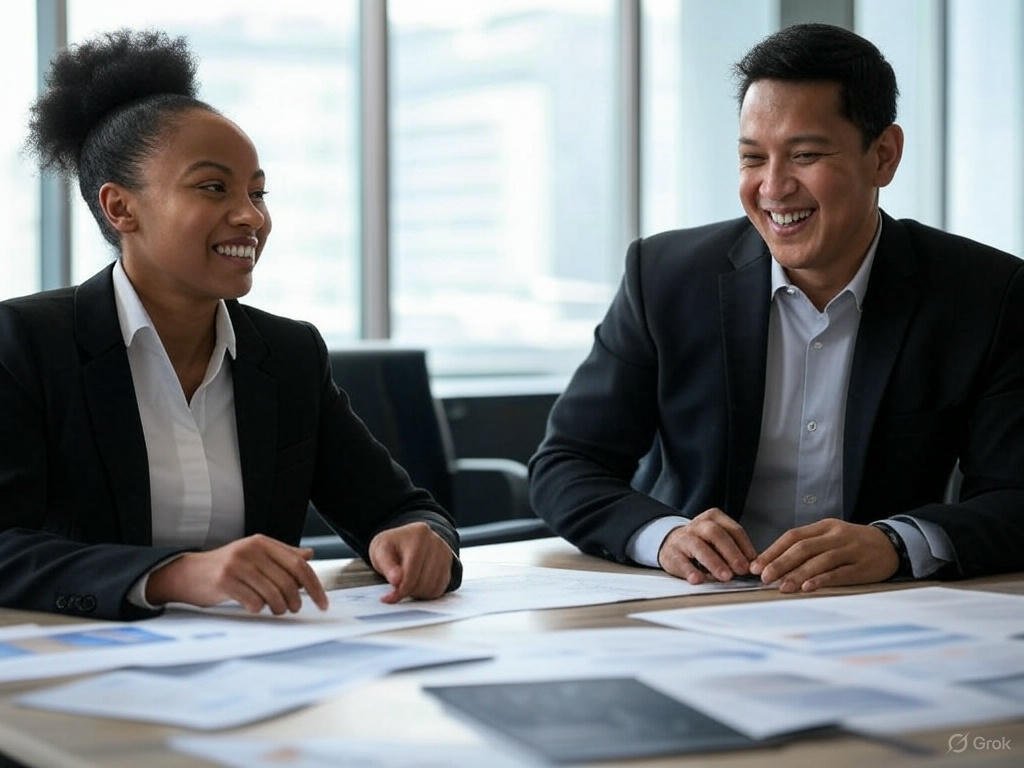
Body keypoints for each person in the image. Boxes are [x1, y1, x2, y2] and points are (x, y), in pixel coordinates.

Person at [529, 23, 1024, 592]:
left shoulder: (984, 293)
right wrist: (664, 536)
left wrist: (893, 544)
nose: (773, 187)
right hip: (696, 599)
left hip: (880, 603)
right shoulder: (664, 277)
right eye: (752, 158)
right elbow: (566, 464)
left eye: (805, 155)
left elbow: (1016, 495)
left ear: (884, 156)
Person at [0, 29, 461, 621]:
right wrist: (175, 574)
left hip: (255, 657)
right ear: (121, 208)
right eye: (213, 187)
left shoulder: (289, 353)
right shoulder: (26, 343)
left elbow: (399, 508)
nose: (251, 217)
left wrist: (416, 537)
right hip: (71, 656)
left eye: (258, 192)